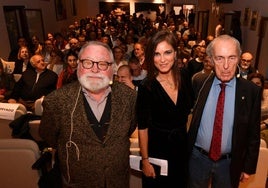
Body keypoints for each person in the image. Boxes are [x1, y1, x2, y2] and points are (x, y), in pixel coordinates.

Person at [39, 41, 137, 188]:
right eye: (88, 63)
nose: (95, 69)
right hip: (77, 182)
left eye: (103, 64)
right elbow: (49, 137)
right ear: (78, 65)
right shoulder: (56, 101)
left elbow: (130, 128)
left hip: (118, 180)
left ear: (112, 69)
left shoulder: (129, 97)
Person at [187, 35, 261, 188]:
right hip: (198, 159)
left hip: (229, 163)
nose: (226, 65)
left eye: (232, 58)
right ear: (211, 60)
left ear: (239, 59)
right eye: (220, 58)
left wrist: (248, 167)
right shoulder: (199, 82)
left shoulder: (250, 91)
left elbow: (254, 133)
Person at [137, 30, 194, 188]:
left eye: (167, 52)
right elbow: (142, 128)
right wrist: (145, 160)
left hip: (182, 149)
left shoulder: (184, 76)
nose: (162, 60)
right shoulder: (146, 86)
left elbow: (190, 112)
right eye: (156, 54)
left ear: (175, 53)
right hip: (157, 152)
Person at [247, 72, 268, 146]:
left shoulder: (267, 95)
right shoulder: (244, 97)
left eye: (257, 83)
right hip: (249, 130)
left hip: (265, 128)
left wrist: (264, 125)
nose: (254, 86)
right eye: (252, 83)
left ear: (262, 85)